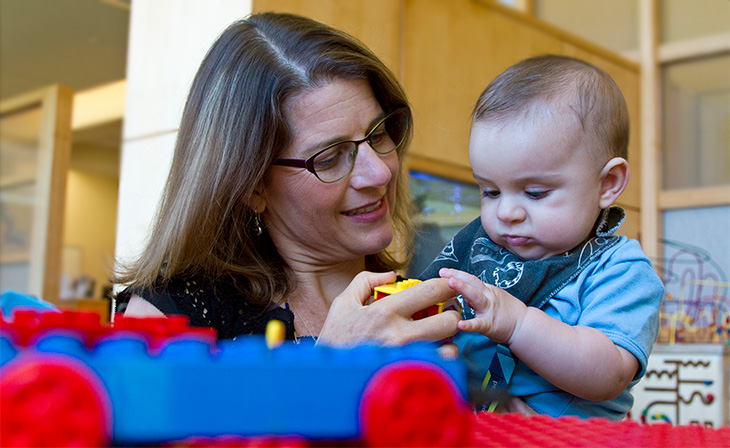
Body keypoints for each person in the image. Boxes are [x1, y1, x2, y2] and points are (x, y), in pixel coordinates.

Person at [114, 12, 460, 352]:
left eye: (379, 133)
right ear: (252, 187)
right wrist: (334, 368)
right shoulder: (169, 317)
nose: (380, 173)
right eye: (329, 157)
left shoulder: (423, 309)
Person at [419, 55, 664, 419]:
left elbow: (609, 373)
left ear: (607, 184)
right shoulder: (481, 250)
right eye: (490, 191)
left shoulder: (620, 271)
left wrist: (517, 324)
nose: (506, 213)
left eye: (534, 193)